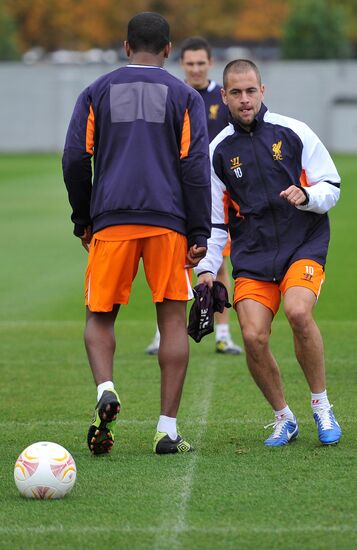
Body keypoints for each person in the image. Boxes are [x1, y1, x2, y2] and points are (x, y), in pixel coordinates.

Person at [62, 12, 211, 455]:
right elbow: (195, 169)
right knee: (170, 319)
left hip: (112, 219)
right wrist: (199, 230)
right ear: (169, 50)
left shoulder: (96, 92)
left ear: (126, 47)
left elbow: (74, 158)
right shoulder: (186, 96)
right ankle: (166, 430)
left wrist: (82, 216)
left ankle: (106, 387)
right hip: (168, 223)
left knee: (100, 316)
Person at [195, 59, 342, 447]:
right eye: (236, 93)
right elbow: (214, 222)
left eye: (251, 91)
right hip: (254, 254)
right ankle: (284, 418)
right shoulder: (217, 152)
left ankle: (321, 406)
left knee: (297, 311)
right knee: (253, 336)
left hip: (303, 243)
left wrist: (307, 195)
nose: (245, 100)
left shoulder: (295, 132)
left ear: (263, 91)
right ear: (224, 96)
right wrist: (207, 271)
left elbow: (332, 185)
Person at [145, 36, 243, 356]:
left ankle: (224, 334)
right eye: (190, 63)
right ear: (181, 63)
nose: (196, 68)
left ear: (210, 63)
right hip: (176, 190)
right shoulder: (171, 94)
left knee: (218, 261)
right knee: (169, 260)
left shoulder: (222, 97)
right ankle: (163, 334)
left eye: (201, 63)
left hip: (215, 191)